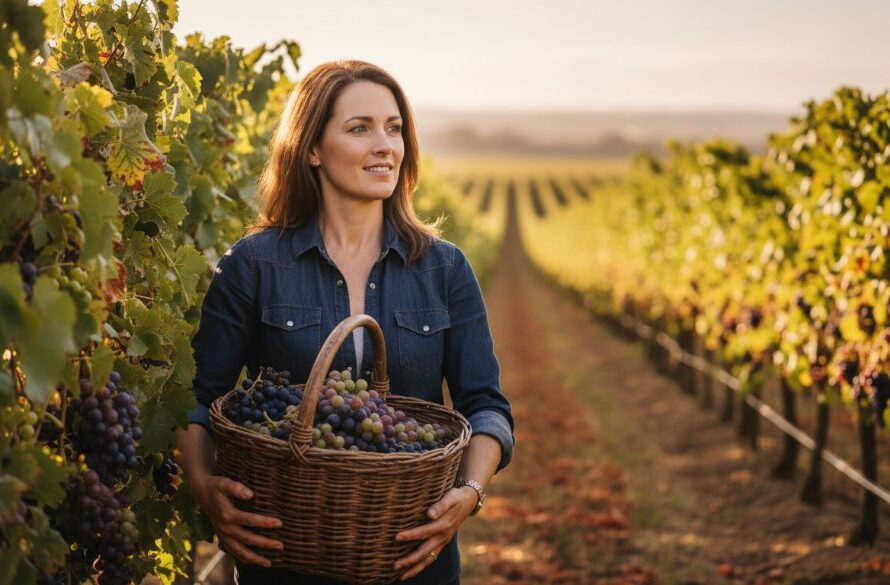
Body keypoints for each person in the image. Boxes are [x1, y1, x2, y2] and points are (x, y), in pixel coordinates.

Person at [175, 60, 515, 585]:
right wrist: (203, 486)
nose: (386, 145)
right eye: (360, 128)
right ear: (311, 148)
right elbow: (197, 397)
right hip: (285, 559)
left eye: (394, 128)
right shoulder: (254, 265)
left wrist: (467, 495)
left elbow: (487, 408)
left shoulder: (444, 269)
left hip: (414, 559)